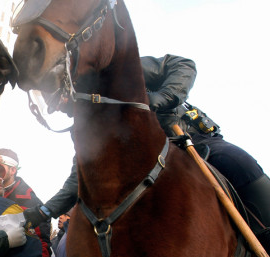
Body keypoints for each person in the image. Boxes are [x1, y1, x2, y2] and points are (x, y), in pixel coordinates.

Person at [24, 54, 270, 239]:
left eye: (55, 97)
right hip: (153, 170)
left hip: (190, 142)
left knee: (237, 162)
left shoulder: (117, 74)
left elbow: (181, 64)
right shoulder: (87, 128)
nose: (56, 107)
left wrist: (162, 97)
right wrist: (46, 211)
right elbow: (79, 177)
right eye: (49, 102)